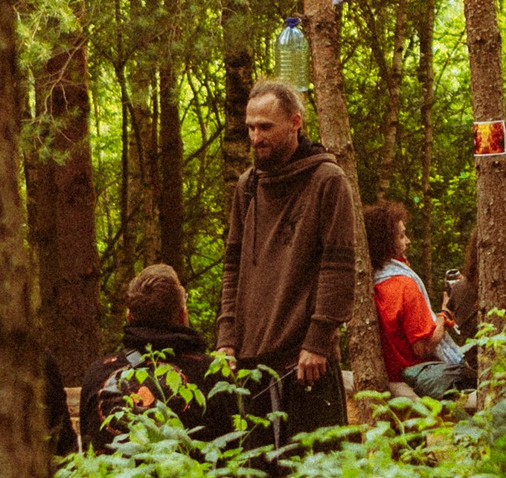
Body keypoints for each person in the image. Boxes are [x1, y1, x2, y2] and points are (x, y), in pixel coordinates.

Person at [217, 79, 357, 451]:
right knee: (261, 472)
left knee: (315, 474)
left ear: (295, 122)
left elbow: (338, 267)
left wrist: (318, 340)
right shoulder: (248, 186)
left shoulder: (327, 180)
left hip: (306, 362)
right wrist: (227, 338)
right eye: (250, 127)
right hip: (252, 360)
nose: (256, 137)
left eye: (265, 127)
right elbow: (233, 266)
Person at [89, 264, 238, 451]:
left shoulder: (98, 373)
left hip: (113, 470)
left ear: (128, 316)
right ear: (182, 315)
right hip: (192, 470)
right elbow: (233, 449)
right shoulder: (212, 374)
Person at [364, 200, 475, 398]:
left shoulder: (369, 280)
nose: (408, 241)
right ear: (386, 242)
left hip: (389, 375)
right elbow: (424, 347)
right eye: (401, 236)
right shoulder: (403, 286)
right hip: (414, 378)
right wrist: (444, 314)